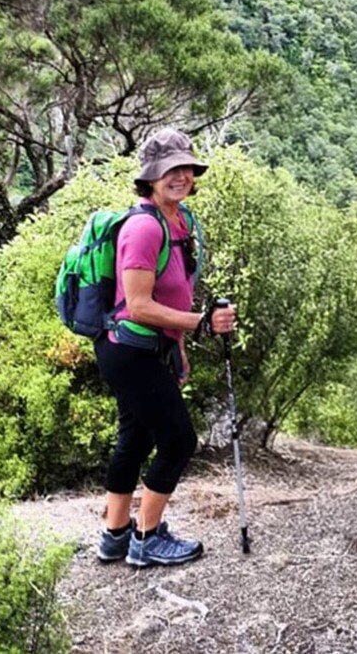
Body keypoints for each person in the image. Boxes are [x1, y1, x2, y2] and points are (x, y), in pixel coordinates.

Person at [94, 127, 235, 567]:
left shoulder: (180, 220)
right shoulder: (142, 228)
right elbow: (137, 306)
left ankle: (115, 536)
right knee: (177, 440)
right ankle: (146, 538)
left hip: (150, 348)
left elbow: (173, 293)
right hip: (128, 347)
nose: (181, 176)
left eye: (186, 168)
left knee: (134, 438)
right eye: (169, 169)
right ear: (150, 178)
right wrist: (202, 325)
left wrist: (180, 347)